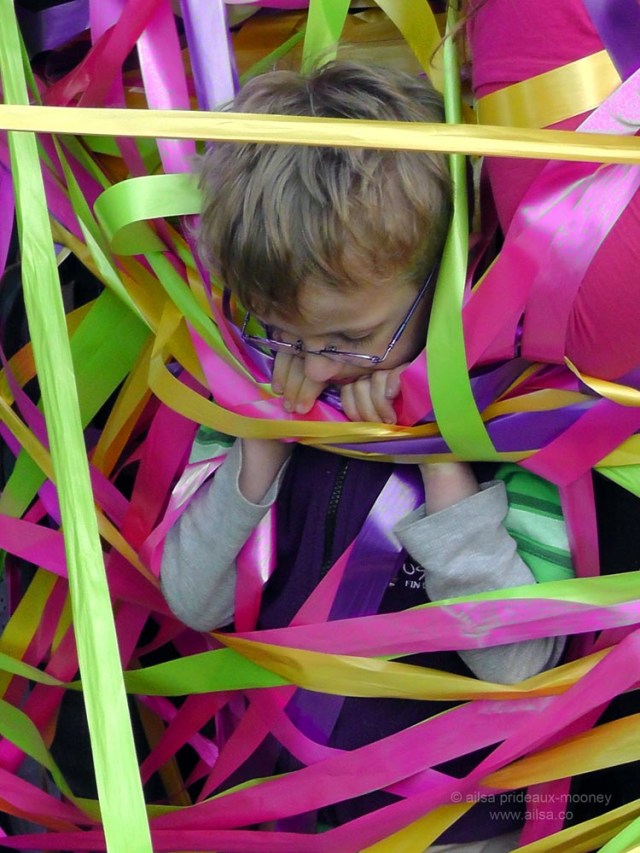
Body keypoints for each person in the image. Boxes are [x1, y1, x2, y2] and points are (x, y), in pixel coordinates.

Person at [160, 61, 571, 852]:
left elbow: (523, 664)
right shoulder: (264, 404)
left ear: (447, 274)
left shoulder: (517, 428)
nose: (313, 368)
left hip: (452, 824)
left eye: (349, 339)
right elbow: (193, 599)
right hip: (282, 803)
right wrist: (257, 459)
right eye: (286, 333)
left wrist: (443, 466)